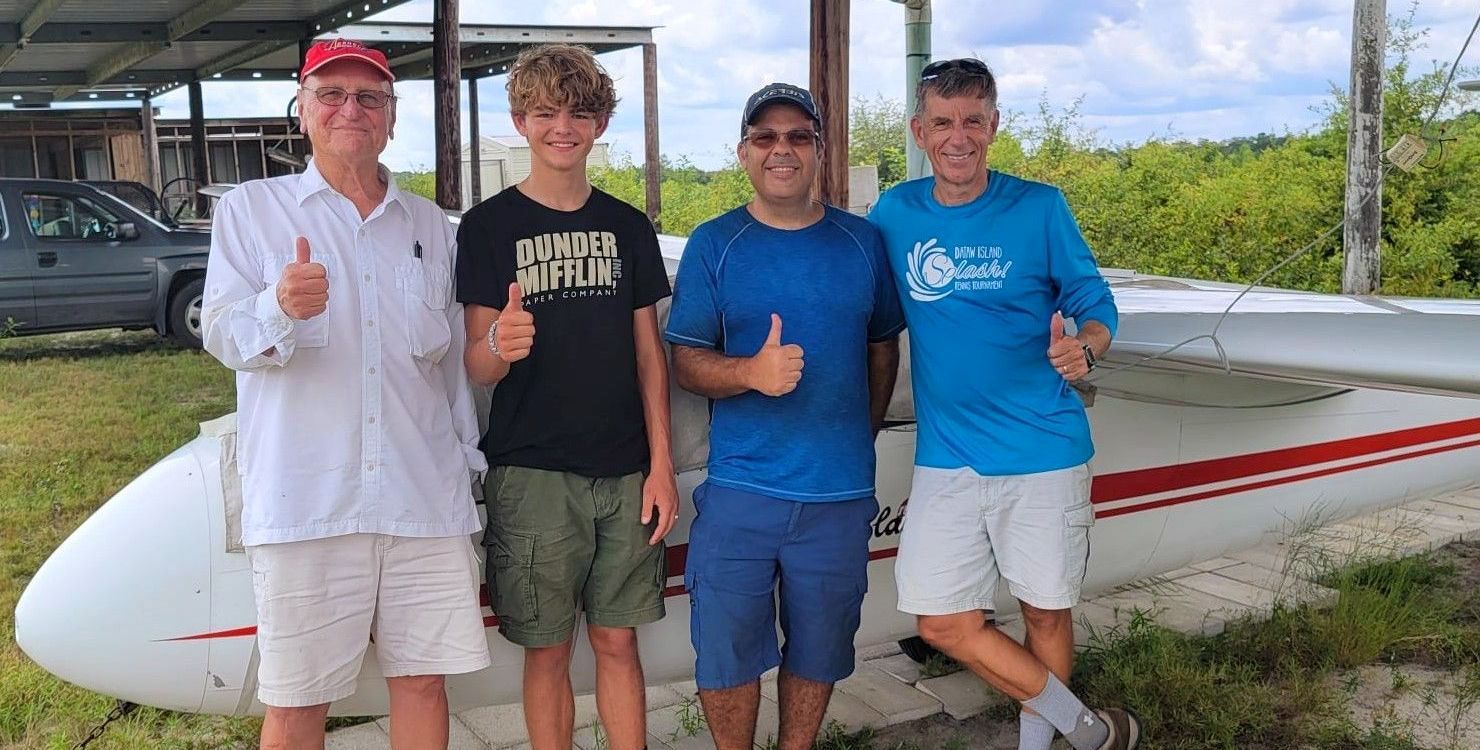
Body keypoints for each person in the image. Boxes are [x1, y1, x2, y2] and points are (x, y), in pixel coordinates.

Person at [200, 39, 489, 750]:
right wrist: (276, 305)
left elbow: (448, 367)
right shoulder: (251, 210)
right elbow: (221, 334)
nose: (349, 109)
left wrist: (465, 466)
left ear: (391, 117)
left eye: (369, 97)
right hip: (308, 505)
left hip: (423, 499)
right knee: (299, 702)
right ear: (302, 110)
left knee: (424, 684)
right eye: (330, 95)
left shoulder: (431, 225)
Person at [868, 58, 1138, 750]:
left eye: (972, 121)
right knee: (941, 621)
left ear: (993, 125)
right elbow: (861, 303)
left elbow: (1094, 302)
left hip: (1042, 449)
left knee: (1044, 613)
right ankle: (1088, 730)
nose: (957, 137)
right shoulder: (895, 213)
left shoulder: (1039, 208)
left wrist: (1087, 347)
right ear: (919, 131)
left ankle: (1040, 745)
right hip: (948, 456)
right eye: (942, 123)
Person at [666, 83, 905, 750]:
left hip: (838, 493)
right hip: (742, 489)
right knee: (727, 653)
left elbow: (883, 345)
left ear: (820, 151)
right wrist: (750, 372)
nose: (782, 149)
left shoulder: (862, 243)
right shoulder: (715, 243)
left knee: (820, 650)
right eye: (765, 137)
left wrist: (861, 433)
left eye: (799, 136)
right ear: (743, 151)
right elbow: (686, 361)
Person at [454, 44, 678, 750]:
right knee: (547, 650)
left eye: (579, 113)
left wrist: (662, 466)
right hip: (533, 472)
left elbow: (650, 355)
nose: (563, 127)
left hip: (625, 469)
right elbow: (477, 366)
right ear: (521, 121)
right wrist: (500, 344)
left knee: (617, 641)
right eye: (546, 112)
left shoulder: (628, 225)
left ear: (601, 123)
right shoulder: (487, 227)